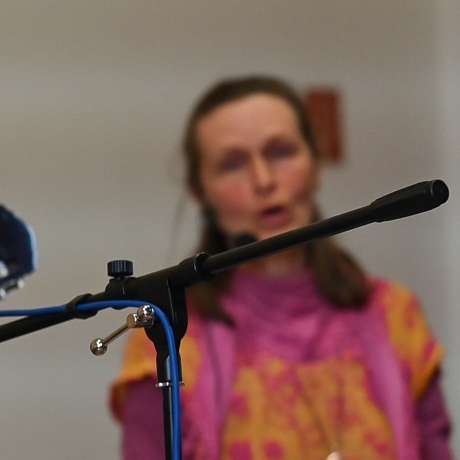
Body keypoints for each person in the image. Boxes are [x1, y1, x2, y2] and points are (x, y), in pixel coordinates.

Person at [110, 75, 451, 460]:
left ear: (316, 164)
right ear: (200, 194)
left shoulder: (395, 315)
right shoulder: (167, 336)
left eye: (281, 152)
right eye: (232, 164)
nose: (264, 180)